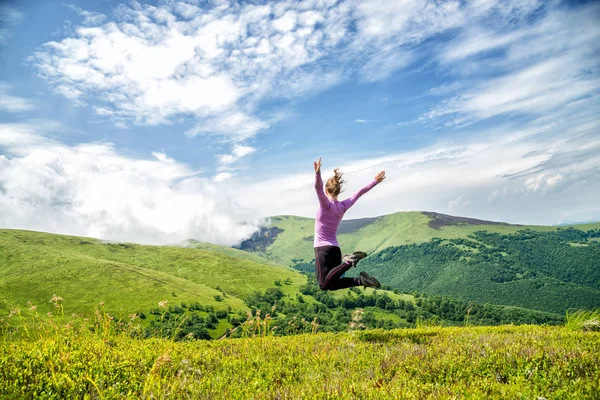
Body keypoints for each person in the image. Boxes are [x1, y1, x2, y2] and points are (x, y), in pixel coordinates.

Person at [313, 157, 385, 290]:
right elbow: (359, 193)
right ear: (338, 191)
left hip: (322, 249)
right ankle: (360, 281)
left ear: (326, 190)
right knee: (332, 284)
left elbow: (317, 188)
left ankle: (349, 261)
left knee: (323, 285)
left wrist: (317, 173)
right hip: (335, 250)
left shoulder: (325, 206)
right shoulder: (343, 206)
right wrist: (375, 181)